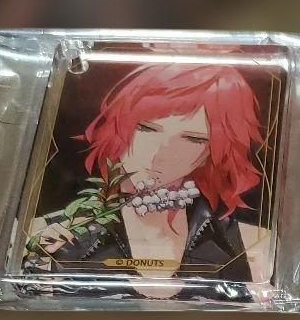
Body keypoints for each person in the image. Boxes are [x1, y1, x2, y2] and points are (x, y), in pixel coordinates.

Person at [26, 62, 268, 300]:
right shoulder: (40, 236)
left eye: (193, 139)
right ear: (119, 123)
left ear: (213, 151)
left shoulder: (253, 245)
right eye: (146, 128)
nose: (157, 154)